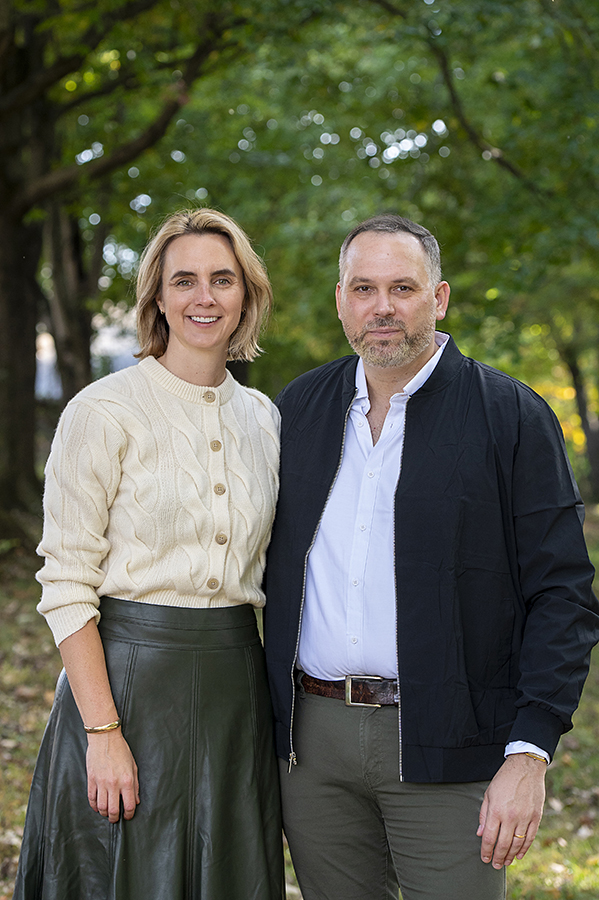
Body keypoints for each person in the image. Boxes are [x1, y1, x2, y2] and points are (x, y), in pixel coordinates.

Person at [263, 213, 599, 900]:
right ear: (339, 300)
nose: (381, 307)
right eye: (362, 289)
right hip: (311, 743)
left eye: (401, 288)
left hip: (453, 737)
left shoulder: (510, 414)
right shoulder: (298, 408)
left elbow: (562, 593)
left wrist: (528, 752)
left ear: (437, 297)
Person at [14, 208, 284, 900]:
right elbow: (67, 583)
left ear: (246, 296)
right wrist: (102, 730)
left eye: (222, 280)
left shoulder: (263, 419)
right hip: (127, 685)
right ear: (157, 298)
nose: (204, 297)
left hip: (234, 690)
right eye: (184, 280)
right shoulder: (102, 412)